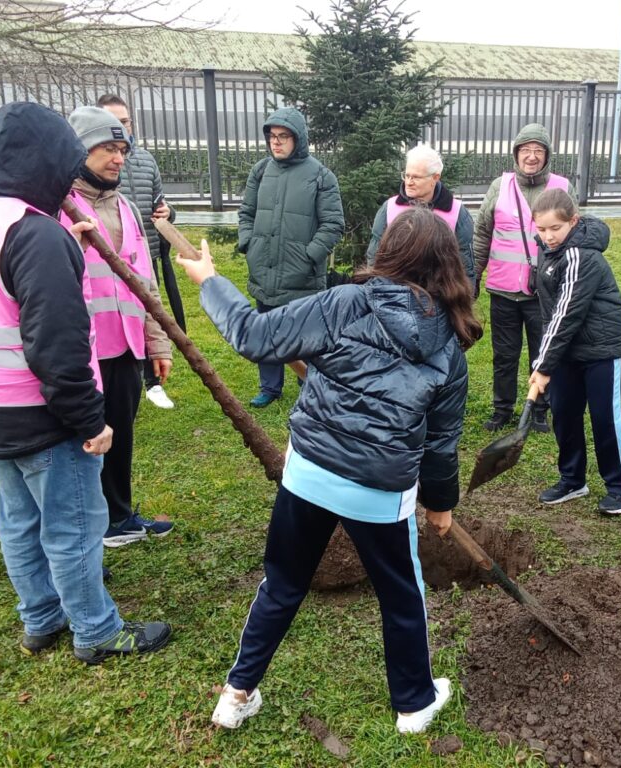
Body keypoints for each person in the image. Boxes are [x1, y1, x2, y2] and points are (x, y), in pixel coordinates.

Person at [178, 207, 479, 733]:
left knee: (281, 584)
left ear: (387, 251)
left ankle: (236, 694)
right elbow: (440, 443)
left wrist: (210, 281)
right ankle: (414, 703)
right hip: (379, 493)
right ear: (447, 264)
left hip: (310, 474)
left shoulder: (344, 302)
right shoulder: (449, 347)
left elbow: (252, 335)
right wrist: (440, 505)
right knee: (402, 597)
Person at [0, 101, 171, 661]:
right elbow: (58, 347)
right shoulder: (36, 235)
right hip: (41, 413)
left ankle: (40, 618)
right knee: (73, 528)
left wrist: (70, 257)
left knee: (19, 522)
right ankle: (97, 632)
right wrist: (90, 421)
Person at [60, 106, 174, 548]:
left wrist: (157, 343)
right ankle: (87, 526)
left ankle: (118, 518)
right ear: (79, 151)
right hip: (82, 351)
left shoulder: (125, 206)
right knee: (82, 442)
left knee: (121, 434)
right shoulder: (58, 207)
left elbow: (146, 280)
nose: (118, 158)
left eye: (122, 149)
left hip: (126, 346)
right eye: (107, 148)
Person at [528, 189, 621, 516]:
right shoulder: (548, 251)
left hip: (602, 348)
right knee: (564, 414)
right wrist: (546, 360)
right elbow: (550, 314)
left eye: (555, 228)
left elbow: (566, 314)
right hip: (567, 350)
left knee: (605, 419)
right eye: (541, 229)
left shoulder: (579, 255)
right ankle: (572, 480)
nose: (548, 236)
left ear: (573, 222)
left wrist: (543, 366)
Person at [237, 106, 344, 408]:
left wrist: (308, 257)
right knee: (266, 329)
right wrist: (249, 244)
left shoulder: (321, 176)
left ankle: (309, 383)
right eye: (272, 136)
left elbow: (333, 224)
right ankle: (269, 386)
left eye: (283, 136)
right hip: (264, 269)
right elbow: (246, 213)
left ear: (298, 139)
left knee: (305, 335)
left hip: (302, 277)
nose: (276, 142)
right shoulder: (260, 171)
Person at [473, 123, 573, 434]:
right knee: (504, 355)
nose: (531, 156)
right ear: (516, 154)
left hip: (543, 292)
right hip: (503, 290)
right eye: (525, 150)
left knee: (542, 354)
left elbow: (575, 235)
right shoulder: (499, 186)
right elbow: (482, 234)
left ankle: (540, 410)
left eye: (538, 150)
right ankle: (502, 409)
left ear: (547, 155)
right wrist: (473, 276)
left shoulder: (561, 187)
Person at [96, 93, 181, 410]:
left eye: (125, 121)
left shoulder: (145, 161)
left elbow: (161, 202)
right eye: (112, 122)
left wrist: (168, 212)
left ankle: (152, 382)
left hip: (145, 253)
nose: (121, 127)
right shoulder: (94, 168)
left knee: (147, 312)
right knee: (120, 319)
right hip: (107, 263)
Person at [366, 144, 476, 290]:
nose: (409, 182)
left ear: (435, 178)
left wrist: (466, 295)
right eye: (406, 175)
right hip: (395, 294)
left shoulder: (456, 212)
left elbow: (465, 264)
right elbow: (375, 257)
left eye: (416, 177)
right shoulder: (389, 208)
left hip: (440, 295)